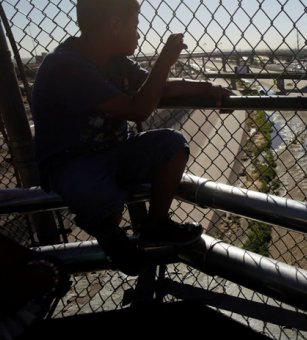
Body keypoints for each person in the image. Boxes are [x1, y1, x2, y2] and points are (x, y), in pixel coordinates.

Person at [30, 0, 233, 275]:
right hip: (70, 161)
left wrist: (209, 88)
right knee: (104, 201)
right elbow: (138, 110)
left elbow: (157, 87)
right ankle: (109, 232)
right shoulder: (66, 66)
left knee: (172, 144)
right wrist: (164, 60)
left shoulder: (115, 63)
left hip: (114, 151)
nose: (139, 34)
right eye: (135, 26)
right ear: (114, 25)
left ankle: (156, 224)